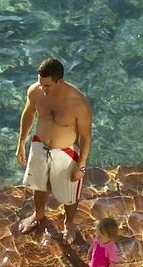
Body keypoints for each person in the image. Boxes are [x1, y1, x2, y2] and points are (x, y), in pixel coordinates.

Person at [14, 56, 92, 240]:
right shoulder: (35, 91)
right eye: (40, 83)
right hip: (39, 144)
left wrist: (81, 166)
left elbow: (86, 137)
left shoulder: (78, 104)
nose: (42, 88)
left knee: (69, 193)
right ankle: (38, 213)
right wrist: (21, 144)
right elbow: (28, 115)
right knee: (38, 184)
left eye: (47, 85)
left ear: (60, 81)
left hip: (66, 151)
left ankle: (69, 223)